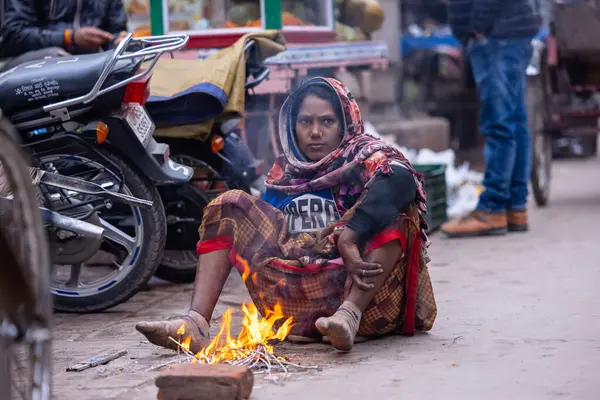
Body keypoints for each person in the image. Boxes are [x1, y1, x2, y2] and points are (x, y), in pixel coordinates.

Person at [136, 77, 437, 352]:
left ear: (346, 123)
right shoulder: (284, 172)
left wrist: (350, 236)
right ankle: (196, 325)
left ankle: (348, 316)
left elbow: (400, 178)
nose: (315, 132)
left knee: (399, 215)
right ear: (292, 126)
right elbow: (266, 243)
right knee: (228, 204)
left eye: (327, 121)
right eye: (305, 121)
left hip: (362, 300)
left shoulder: (366, 157)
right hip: (294, 306)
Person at [442, 0, 541, 237]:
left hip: (496, 35)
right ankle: (514, 206)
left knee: (500, 123)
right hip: (506, 31)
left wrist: (478, 27)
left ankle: (492, 209)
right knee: (514, 121)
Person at [0, 0, 128, 72]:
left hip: (90, 63)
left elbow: (116, 29)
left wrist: (119, 41)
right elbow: (13, 35)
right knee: (56, 59)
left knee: (127, 61)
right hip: (33, 62)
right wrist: (68, 37)